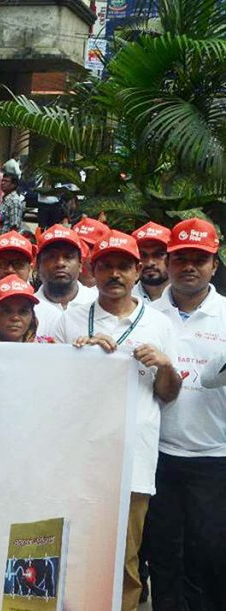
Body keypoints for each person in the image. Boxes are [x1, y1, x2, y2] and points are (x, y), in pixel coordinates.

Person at [55, 230, 180, 611]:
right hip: (78, 457)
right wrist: (80, 359)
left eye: (123, 266)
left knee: (124, 558)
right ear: (92, 270)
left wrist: (164, 365)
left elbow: (169, 394)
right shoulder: (71, 320)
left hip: (133, 460)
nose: (114, 274)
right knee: (72, 549)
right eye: (106, 266)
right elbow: (53, 390)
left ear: (138, 270)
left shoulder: (159, 324)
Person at [147, 218, 226, 610]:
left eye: (200, 259)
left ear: (215, 264)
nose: (189, 267)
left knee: (210, 556)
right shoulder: (146, 314)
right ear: (168, 262)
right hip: (157, 455)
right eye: (181, 259)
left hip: (214, 457)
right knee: (163, 557)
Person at [0, 231, 61, 335]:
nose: (10, 270)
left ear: (30, 269)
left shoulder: (51, 315)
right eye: (2, 263)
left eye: (18, 264)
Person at [34, 225, 97, 317]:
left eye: (68, 257)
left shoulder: (99, 303)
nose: (60, 263)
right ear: (38, 266)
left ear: (80, 265)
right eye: (52, 256)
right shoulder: (28, 307)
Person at [131, 221, 170, 302]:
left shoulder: (187, 298)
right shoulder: (123, 300)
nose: (150, 263)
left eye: (159, 254)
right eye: (142, 255)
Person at [73, 217, 111, 288]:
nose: (83, 252)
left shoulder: (119, 292)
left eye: (90, 247)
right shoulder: (56, 287)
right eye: (79, 246)